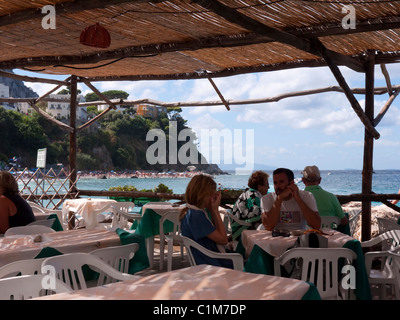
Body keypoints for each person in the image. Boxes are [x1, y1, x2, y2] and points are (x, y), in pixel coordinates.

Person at [180, 174, 232, 268]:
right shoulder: (196, 216)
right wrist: (215, 210)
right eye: (211, 194)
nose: (213, 198)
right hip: (212, 263)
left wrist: (212, 210)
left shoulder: (190, 212)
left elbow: (218, 235)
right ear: (202, 195)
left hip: (206, 260)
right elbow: (223, 240)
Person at [231, 170, 269, 240]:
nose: (268, 187)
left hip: (237, 228)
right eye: (267, 185)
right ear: (260, 186)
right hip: (241, 231)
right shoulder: (254, 196)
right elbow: (257, 216)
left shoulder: (249, 193)